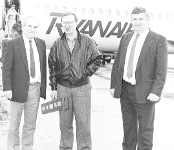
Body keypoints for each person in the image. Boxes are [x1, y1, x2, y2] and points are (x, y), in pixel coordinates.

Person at [110, 7, 167, 150]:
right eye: (135, 19)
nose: (137, 22)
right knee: (128, 129)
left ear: (147, 20)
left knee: (145, 132)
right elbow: (118, 64)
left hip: (146, 92)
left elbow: (161, 71)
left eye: (141, 19)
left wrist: (156, 92)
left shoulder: (158, 40)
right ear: (131, 21)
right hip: (125, 90)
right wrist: (113, 85)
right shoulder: (126, 37)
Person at [48, 12, 102, 150]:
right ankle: (65, 147)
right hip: (62, 88)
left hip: (82, 88)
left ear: (76, 23)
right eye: (64, 23)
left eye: (70, 22)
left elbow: (97, 59)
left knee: (83, 123)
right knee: (64, 123)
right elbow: (52, 66)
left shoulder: (87, 41)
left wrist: (84, 73)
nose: (67, 25)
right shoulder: (57, 44)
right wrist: (53, 88)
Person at [2, 16, 47, 150]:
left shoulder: (41, 43)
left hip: (35, 88)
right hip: (17, 89)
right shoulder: (12, 44)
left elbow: (43, 67)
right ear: (24, 27)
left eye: (35, 27)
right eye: (29, 26)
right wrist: (7, 88)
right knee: (14, 125)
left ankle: (27, 147)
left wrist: (43, 88)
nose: (32, 29)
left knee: (30, 125)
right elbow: (7, 68)